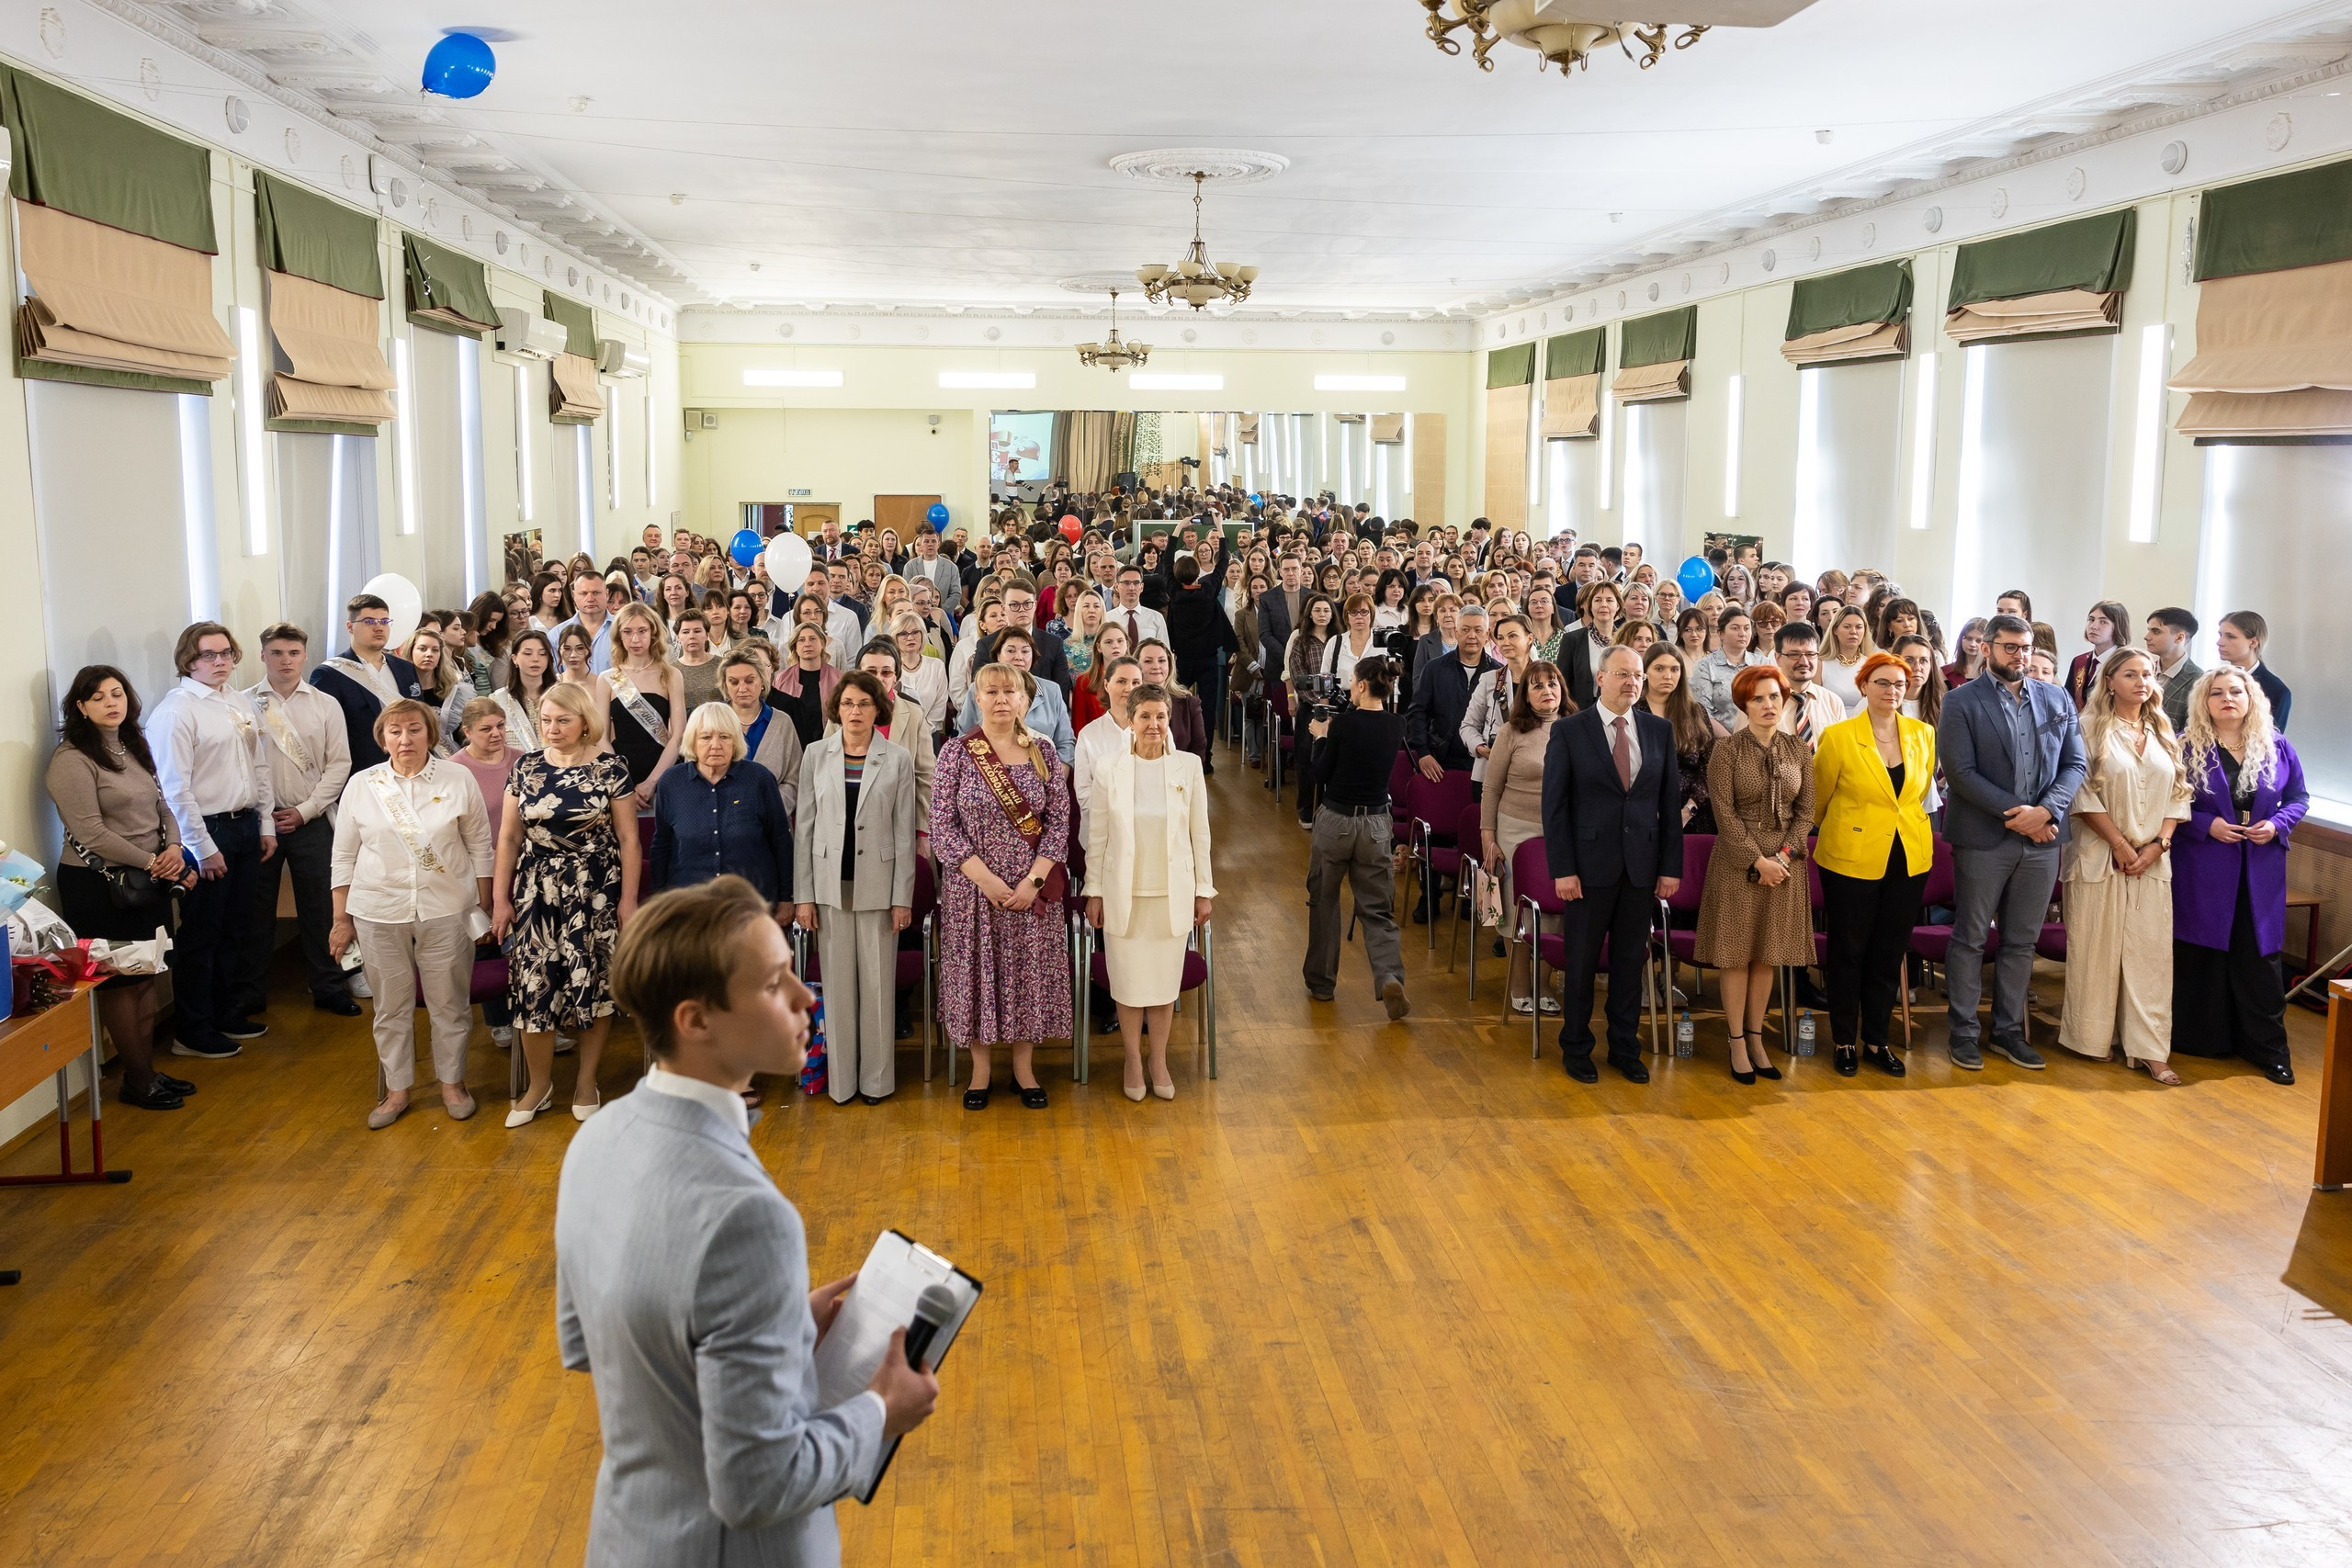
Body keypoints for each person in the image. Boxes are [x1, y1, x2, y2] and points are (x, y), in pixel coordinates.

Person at [556, 875, 938, 1568]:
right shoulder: (750, 1220)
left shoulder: (595, 1139)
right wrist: (883, 1409)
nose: (805, 997)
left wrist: (780, 1325)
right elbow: (758, 1484)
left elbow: (591, 1342)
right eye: (773, 984)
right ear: (695, 1019)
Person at [329, 698, 494, 1129]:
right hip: (378, 910)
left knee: (450, 1003)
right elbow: (343, 855)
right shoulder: (362, 785)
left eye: (415, 730)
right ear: (383, 737)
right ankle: (398, 1089)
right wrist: (341, 919)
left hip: (447, 909)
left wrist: (485, 906)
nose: (406, 739)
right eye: (396, 731)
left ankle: (452, 1083)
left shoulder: (458, 778)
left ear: (430, 734)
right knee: (390, 1006)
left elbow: (481, 846)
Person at [1937, 613, 2088, 1072]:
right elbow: (1961, 776)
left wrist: (2047, 812)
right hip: (1985, 838)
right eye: (2009, 648)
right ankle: (1963, 1033)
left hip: (2043, 840)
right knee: (1971, 937)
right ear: (1986, 648)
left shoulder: (2057, 696)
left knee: (2022, 941)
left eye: (2025, 648)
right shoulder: (1961, 701)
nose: (2019, 656)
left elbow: (2075, 764)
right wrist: (2021, 817)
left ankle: (2007, 1031)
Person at [47, 666, 199, 1110]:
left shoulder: (132, 744)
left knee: (147, 976)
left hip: (146, 877)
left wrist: (173, 846)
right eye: (98, 697)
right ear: (80, 707)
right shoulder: (71, 759)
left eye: (117, 694)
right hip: (99, 885)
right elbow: (91, 832)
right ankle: (137, 1079)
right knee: (118, 983)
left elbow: (162, 805)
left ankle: (144, 1073)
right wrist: (156, 862)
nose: (111, 703)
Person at [492, 682, 641, 1127]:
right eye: (546, 721)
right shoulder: (526, 767)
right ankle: (539, 1086)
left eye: (563, 721)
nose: (553, 729)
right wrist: (501, 899)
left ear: (584, 723)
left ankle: (585, 1081)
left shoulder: (611, 768)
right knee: (534, 986)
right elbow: (508, 837)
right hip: (536, 889)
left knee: (591, 984)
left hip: (595, 889)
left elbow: (630, 839)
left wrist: (629, 900)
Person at [932, 661, 1073, 1111]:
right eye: (990, 692)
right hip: (973, 891)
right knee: (979, 972)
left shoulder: (1043, 753)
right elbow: (941, 825)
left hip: (1031, 890)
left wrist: (1033, 881)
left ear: (1024, 701)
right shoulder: (956, 752)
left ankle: (1024, 1069)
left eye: (1008, 692)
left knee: (1027, 972)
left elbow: (1058, 822)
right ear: (976, 698)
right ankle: (980, 1071)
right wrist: (987, 880)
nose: (1000, 700)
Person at [1542, 644, 1682, 1085]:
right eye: (1623, 674)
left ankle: (1625, 1048)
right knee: (1581, 965)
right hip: (1587, 869)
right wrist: (1563, 869)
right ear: (1600, 678)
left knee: (1628, 965)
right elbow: (1555, 808)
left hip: (1640, 868)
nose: (1632, 683)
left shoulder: (1659, 731)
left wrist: (1670, 867)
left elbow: (1668, 805)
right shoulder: (1570, 731)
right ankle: (1577, 1047)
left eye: (1637, 676)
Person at [2054, 649, 2191, 1083]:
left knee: (2150, 954)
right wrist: (2117, 841)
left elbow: (2179, 793)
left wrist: (2159, 844)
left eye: (2148, 674)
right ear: (2109, 681)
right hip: (2099, 855)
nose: (2142, 682)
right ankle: (2091, 1039)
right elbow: (2079, 792)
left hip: (2152, 858)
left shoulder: (2163, 728)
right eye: (2131, 674)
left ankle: (2150, 1049)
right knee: (2097, 952)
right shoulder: (2087, 727)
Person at [2171, 668, 2308, 1084]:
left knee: (2258, 960)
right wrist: (2204, 824)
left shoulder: (2276, 744)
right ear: (2203, 702)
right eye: (2217, 693)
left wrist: (2278, 825)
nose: (2227, 699)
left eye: (2236, 691)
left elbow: (2299, 797)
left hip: (2260, 868)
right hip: (2205, 865)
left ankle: (2270, 1052)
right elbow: (2168, 802)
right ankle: (2202, 1042)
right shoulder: (2184, 746)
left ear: (2251, 699)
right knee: (2203, 955)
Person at [151, 622, 277, 1056]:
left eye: (226, 653)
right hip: (206, 830)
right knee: (202, 935)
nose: (221, 661)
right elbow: (174, 789)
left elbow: (259, 766)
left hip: (243, 825)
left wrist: (264, 825)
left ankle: (224, 1013)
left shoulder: (237, 701)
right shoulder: (176, 711)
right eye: (210, 655)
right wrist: (203, 848)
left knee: (234, 929)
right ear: (189, 660)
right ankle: (192, 1029)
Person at [1084, 682, 1215, 1101]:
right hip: (1125, 893)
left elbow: (1200, 834)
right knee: (1128, 985)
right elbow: (1099, 835)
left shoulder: (1189, 767)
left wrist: (1203, 891)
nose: (1154, 724)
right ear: (1131, 720)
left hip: (1171, 893)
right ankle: (1132, 1060)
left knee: (1161, 986)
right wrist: (1095, 891)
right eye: (1146, 717)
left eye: (1161, 716)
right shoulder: (1109, 767)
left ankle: (1158, 1059)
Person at [793, 674, 918, 1105]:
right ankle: (842, 1083)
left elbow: (904, 833)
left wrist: (903, 896)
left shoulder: (897, 758)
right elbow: (804, 828)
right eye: (848, 703)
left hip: (879, 889)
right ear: (837, 708)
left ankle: (877, 1082)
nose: (856, 711)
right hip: (829, 888)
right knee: (840, 992)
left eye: (865, 703)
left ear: (878, 709)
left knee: (878, 989)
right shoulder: (815, 755)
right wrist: (803, 896)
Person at [1811, 652, 1935, 1078]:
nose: (1892, 691)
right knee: (1849, 950)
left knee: (1888, 951)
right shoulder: (1840, 736)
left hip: (1909, 855)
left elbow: (1916, 797)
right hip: (1850, 855)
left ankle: (1877, 1040)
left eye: (1900, 684)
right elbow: (1818, 802)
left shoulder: (1922, 733)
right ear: (1863, 686)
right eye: (1882, 683)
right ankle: (1844, 1039)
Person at [1693, 665, 1813, 1082]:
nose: (1768, 705)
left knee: (1767, 956)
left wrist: (1781, 857)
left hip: (1784, 865)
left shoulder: (1799, 749)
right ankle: (1736, 1042)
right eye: (1759, 698)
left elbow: (1806, 812)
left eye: (1775, 697)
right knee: (1737, 955)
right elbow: (1723, 813)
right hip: (1737, 862)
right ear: (1744, 703)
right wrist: (1756, 860)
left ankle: (1756, 1036)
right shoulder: (1726, 750)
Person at [238, 623, 356, 1020]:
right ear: (262, 656)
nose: (285, 661)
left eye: (292, 653)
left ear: (305, 655)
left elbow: (340, 764)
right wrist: (263, 815)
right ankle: (251, 993)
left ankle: (328, 986)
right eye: (276, 653)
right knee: (255, 913)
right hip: (259, 824)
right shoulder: (242, 704)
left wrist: (306, 810)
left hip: (312, 820)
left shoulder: (325, 704)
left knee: (322, 909)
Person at [1302, 656, 1410, 1017]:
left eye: (1352, 682)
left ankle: (1321, 984)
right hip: (1377, 824)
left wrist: (1320, 738)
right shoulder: (1397, 724)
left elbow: (1320, 774)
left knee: (1325, 903)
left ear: (1362, 685)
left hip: (1336, 821)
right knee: (1377, 909)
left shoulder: (1344, 725)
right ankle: (1389, 976)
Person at [1481, 660, 1567, 1017]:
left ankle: (1544, 983)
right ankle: (1519, 982)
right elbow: (1491, 787)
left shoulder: (1578, 728)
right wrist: (1489, 838)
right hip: (1515, 829)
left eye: (1552, 684)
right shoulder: (1511, 732)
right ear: (1525, 695)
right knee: (1518, 913)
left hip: (1561, 832)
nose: (1547, 691)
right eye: (1537, 686)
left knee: (1556, 913)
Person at [312, 593, 425, 773]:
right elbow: (326, 737)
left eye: (384, 621)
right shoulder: (330, 674)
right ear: (350, 626)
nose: (379, 627)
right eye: (369, 622)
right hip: (362, 771)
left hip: (410, 767)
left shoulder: (406, 669)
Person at [1406, 603, 1497, 785]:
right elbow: (1417, 712)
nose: (1472, 636)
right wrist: (1423, 753)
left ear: (1487, 635)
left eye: (1478, 630)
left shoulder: (1499, 673)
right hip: (1440, 761)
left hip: (1483, 763)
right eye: (1465, 630)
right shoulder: (1434, 668)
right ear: (1455, 632)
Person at [607, 603, 686, 807]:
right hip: (621, 775)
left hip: (664, 772)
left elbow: (678, 735)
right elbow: (601, 738)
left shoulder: (671, 674)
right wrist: (623, 783)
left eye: (642, 631)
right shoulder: (607, 679)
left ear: (653, 632)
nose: (635, 639)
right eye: (627, 632)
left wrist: (652, 782)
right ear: (619, 635)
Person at [1642, 642, 1722, 833]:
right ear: (1645, 672)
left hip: (1694, 812)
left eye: (1674, 669)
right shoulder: (1633, 712)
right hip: (1644, 811)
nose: (1668, 676)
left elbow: (1709, 765)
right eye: (1659, 668)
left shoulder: (1695, 712)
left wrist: (1689, 809)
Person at [718, 650, 807, 824]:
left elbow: (795, 778)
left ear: (762, 681)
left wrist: (767, 808)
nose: (742, 688)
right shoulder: (714, 722)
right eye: (734, 682)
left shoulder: (782, 722)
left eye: (750, 681)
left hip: (772, 824)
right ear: (725, 685)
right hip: (722, 823)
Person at [1133, 639, 1207, 771]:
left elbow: (1199, 748)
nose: (1156, 666)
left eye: (1162, 661)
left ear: (1170, 665)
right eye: (1148, 661)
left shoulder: (1190, 703)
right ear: (1137, 665)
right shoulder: (1128, 703)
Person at [1772, 621, 1846, 751]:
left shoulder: (1833, 702)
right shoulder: (1760, 702)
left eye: (1811, 654)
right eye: (1794, 654)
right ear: (1778, 658)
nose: (1804, 662)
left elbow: (1843, 752)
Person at [2216, 609, 2291, 731]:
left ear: (2253, 642)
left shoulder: (2276, 690)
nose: (2220, 642)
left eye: (2230, 637)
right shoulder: (2211, 681)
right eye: (2220, 635)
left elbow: (2272, 743)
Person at [1690, 606, 1758, 728]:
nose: (1742, 633)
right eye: (1735, 628)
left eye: (1746, 628)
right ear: (1721, 633)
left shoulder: (1762, 663)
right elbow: (1703, 712)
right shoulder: (1705, 666)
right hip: (1722, 740)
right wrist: (1731, 742)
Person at [2143, 606, 2201, 734]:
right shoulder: (2143, 672)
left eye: (2156, 631)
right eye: (2149, 631)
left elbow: (2192, 733)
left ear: (2179, 638)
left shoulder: (2199, 681)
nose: (2147, 637)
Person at [2065, 600, 2130, 712]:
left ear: (2118, 627)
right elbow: (2067, 700)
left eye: (2103, 622)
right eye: (2091, 620)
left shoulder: (2126, 663)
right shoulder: (2079, 661)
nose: (2094, 626)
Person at [1818, 605, 1875, 713]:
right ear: (1835, 630)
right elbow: (1814, 705)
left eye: (1859, 627)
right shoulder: (1820, 664)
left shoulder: (1871, 664)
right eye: (1847, 627)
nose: (1853, 632)